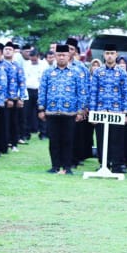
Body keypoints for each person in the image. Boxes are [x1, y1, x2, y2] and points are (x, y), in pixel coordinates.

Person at [38, 42, 88, 176]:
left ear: (68, 56)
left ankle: (67, 166)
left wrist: (80, 110)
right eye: (59, 55)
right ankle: (55, 166)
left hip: (70, 112)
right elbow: (42, 90)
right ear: (55, 55)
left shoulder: (76, 72)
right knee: (54, 140)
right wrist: (41, 109)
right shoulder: (48, 72)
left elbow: (81, 92)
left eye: (64, 55)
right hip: (51, 111)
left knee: (68, 140)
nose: (61, 58)